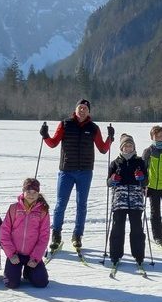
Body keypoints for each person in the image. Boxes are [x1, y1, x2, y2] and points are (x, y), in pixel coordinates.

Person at [40, 99, 114, 251]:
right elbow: (53, 143)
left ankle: (77, 235)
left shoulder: (93, 128)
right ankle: (56, 234)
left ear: (89, 111)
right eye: (80, 108)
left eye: (85, 108)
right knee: (61, 204)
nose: (82, 110)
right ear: (75, 109)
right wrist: (45, 135)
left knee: (82, 205)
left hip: (85, 172)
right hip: (66, 171)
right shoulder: (65, 124)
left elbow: (103, 149)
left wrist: (110, 138)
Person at [107, 133, 148, 268]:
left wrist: (142, 178)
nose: (128, 148)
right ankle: (115, 255)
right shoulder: (115, 163)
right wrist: (113, 179)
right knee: (118, 227)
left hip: (136, 199)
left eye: (130, 146)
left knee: (137, 228)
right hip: (120, 199)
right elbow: (108, 183)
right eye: (125, 146)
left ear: (133, 147)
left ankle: (139, 255)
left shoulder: (140, 161)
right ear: (121, 147)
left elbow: (146, 181)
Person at [0, 178, 50, 289]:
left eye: (34, 192)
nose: (31, 195)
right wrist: (11, 254)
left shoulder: (43, 210)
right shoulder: (14, 208)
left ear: (38, 193)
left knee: (41, 283)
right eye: (28, 191)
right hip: (15, 255)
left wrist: (36, 258)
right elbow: (4, 232)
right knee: (11, 284)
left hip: (32, 255)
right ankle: (13, 271)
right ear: (23, 191)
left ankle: (29, 270)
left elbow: (44, 236)